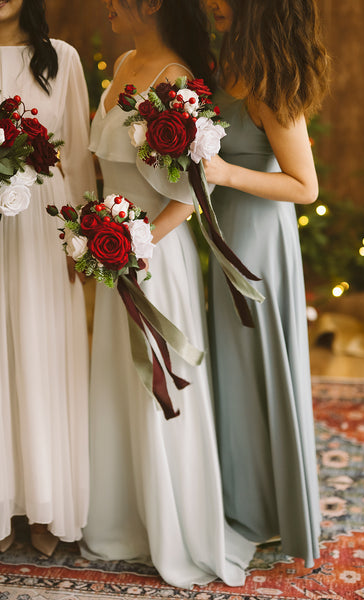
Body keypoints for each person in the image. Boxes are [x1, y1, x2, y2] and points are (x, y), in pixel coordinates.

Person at [80, 0, 255, 589]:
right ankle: (122, 519)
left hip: (152, 255)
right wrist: (99, 239)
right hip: (113, 250)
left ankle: (176, 525)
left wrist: (134, 243)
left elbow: (192, 191)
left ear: (150, 4)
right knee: (115, 381)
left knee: (158, 382)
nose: (107, 6)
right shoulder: (127, 60)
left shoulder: (177, 80)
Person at [204, 0, 330, 568]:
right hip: (224, 228)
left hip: (257, 239)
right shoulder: (220, 63)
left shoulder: (268, 82)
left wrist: (225, 172)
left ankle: (268, 511)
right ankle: (242, 497)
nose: (213, 3)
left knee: (258, 364)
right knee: (235, 370)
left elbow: (305, 186)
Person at [0, 0, 96, 556]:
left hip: (44, 223)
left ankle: (43, 505)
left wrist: (81, 235)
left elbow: (78, 158)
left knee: (40, 353)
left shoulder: (61, 58)